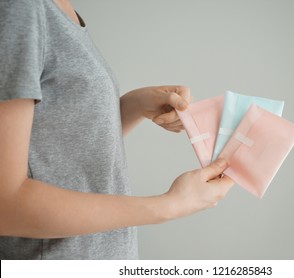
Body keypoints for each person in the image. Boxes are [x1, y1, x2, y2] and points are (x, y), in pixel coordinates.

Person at [0, 0, 233, 259]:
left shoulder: (62, 11)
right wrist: (169, 206)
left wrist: (133, 106)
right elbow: (5, 204)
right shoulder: (20, 8)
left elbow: (56, 150)